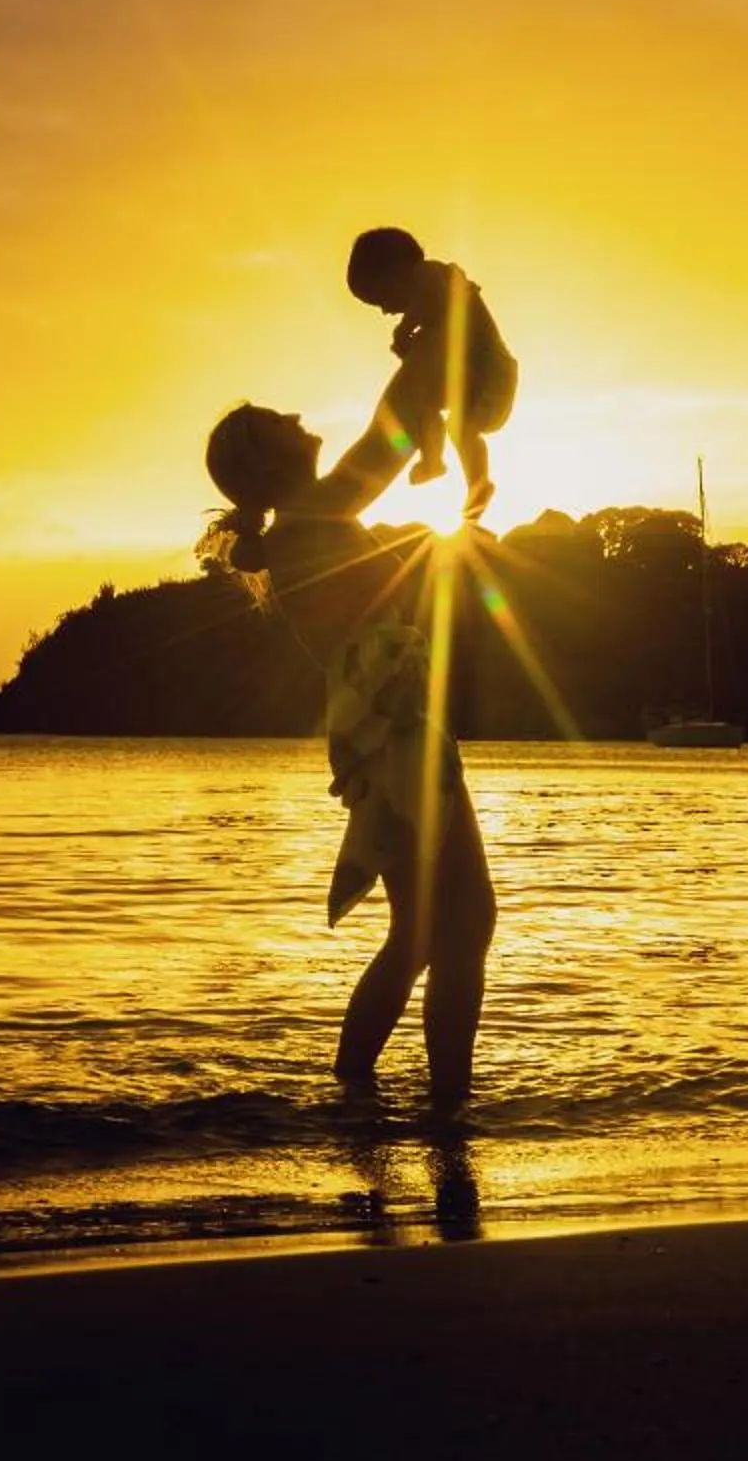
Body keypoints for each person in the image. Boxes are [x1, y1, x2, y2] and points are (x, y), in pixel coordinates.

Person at [200, 401, 496, 1108]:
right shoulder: (314, 516)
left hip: (387, 730)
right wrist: (437, 341)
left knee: (424, 931)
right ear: (268, 459)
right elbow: (389, 434)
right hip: (394, 733)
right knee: (463, 921)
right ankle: (446, 1107)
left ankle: (358, 1094)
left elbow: (393, 434)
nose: (297, 415)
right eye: (279, 420)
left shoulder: (309, 521)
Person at [344, 227, 517, 523]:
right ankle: (432, 460)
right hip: (467, 375)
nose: (385, 311)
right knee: (425, 407)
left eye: (381, 298)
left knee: (461, 426)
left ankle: (479, 483)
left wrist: (405, 329)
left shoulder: (432, 273)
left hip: (491, 370)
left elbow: (433, 299)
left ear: (398, 269)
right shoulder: (432, 312)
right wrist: (410, 352)